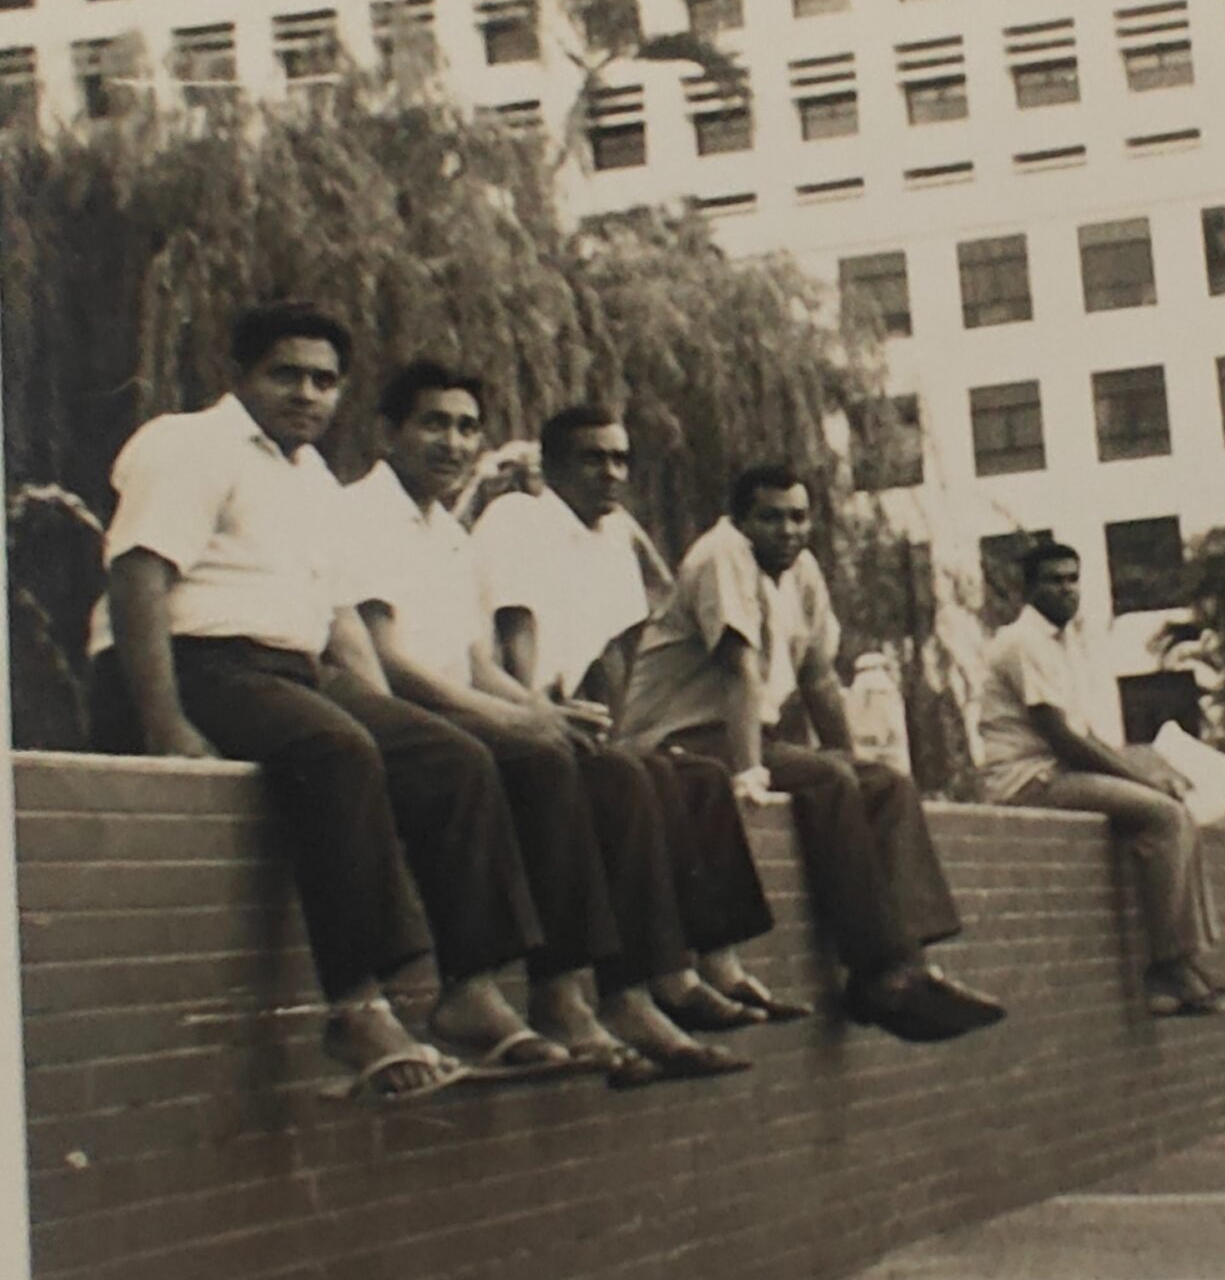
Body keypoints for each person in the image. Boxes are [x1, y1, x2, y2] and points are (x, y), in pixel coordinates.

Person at [87, 301, 550, 1103]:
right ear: (238, 374)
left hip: (289, 672)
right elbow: (137, 577)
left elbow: (339, 620)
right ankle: (355, 1008)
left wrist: (392, 718)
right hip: (197, 661)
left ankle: (469, 989)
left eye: (325, 381)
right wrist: (166, 726)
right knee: (337, 750)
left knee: (451, 756)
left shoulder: (312, 480)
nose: (307, 394)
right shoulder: (188, 444)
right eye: (287, 375)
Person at [342, 363, 754, 1082]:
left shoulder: (448, 534)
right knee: (543, 761)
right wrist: (516, 721)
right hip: (408, 712)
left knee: (613, 768)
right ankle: (536, 993)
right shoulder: (361, 513)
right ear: (387, 432)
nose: (453, 442)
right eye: (434, 424)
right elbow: (387, 659)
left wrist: (542, 712)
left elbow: (478, 662)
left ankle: (629, 991)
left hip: (462, 707)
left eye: (467, 427)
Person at [619, 462, 1006, 1045]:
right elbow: (740, 671)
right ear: (740, 521)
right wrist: (750, 771)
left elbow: (820, 678)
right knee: (827, 780)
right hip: (679, 736)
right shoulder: (722, 556)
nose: (788, 530)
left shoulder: (801, 570)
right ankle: (879, 971)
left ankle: (910, 962)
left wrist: (847, 756)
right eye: (771, 518)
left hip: (740, 729)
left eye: (798, 517)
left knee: (884, 784)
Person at [471, 402, 803, 1023]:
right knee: (626, 780)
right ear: (552, 466)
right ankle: (654, 983)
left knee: (697, 777)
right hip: (509, 707)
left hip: (570, 714)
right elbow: (517, 630)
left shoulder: (612, 538)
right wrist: (538, 716)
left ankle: (719, 964)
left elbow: (617, 651)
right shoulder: (518, 518)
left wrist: (623, 734)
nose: (611, 473)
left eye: (620, 459)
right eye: (593, 459)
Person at [979, 536, 1225, 1018]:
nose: (1066, 589)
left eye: (1073, 579)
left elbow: (1086, 736)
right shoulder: (1023, 641)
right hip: (1028, 782)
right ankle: (1165, 967)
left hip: (1059, 774)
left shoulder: (1062, 644)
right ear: (1029, 589)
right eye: (1054, 581)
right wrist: (1143, 782)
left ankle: (1187, 962)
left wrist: (1148, 771)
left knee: (1178, 810)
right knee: (1164, 816)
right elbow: (1063, 738)